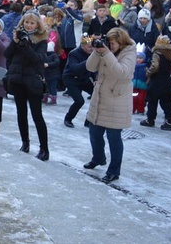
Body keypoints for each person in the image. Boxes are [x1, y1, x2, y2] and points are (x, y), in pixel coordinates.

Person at [84, 27, 136, 184]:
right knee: (94, 132)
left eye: (112, 44)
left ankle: (114, 170)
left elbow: (122, 72)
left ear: (121, 42)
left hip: (117, 99)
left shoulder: (129, 52)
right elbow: (90, 67)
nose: (110, 46)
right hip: (100, 97)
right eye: (109, 43)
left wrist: (106, 53)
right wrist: (97, 51)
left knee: (114, 137)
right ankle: (98, 158)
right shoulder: (105, 50)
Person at [4, 12, 50, 161]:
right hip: (17, 80)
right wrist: (16, 42)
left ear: (37, 25)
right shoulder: (18, 36)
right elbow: (7, 54)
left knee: (37, 115)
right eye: (26, 22)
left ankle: (44, 149)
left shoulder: (42, 40)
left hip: (33, 82)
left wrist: (26, 45)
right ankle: (25, 142)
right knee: (21, 113)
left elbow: (38, 60)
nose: (28, 25)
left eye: (32, 23)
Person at [139, 35, 171, 130]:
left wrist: (148, 73)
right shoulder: (170, 53)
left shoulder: (157, 53)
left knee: (152, 101)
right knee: (167, 101)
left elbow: (155, 66)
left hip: (156, 80)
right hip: (166, 80)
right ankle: (170, 120)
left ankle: (150, 119)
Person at [62, 34, 95, 128]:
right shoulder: (74, 53)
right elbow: (75, 68)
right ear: (82, 46)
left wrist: (95, 80)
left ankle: (88, 121)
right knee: (79, 101)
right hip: (71, 78)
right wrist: (89, 61)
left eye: (92, 46)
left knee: (97, 96)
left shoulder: (93, 54)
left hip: (84, 78)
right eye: (89, 47)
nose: (91, 49)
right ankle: (68, 119)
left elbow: (94, 69)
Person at [132, 49, 148, 115]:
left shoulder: (145, 67)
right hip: (134, 85)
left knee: (141, 99)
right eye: (137, 58)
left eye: (140, 58)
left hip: (143, 86)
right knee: (133, 98)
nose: (138, 59)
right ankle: (132, 109)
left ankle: (140, 110)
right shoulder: (133, 66)